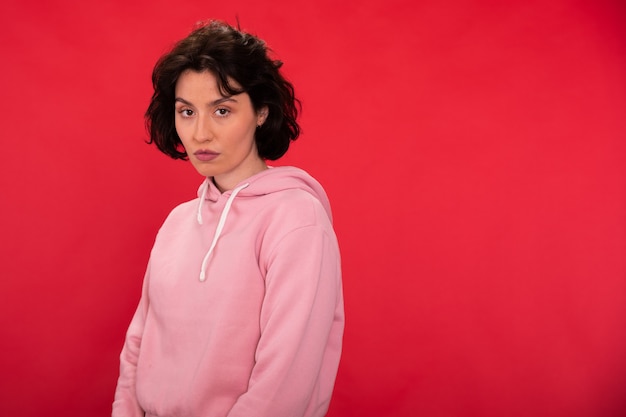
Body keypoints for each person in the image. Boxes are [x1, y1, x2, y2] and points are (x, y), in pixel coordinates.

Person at [112, 20, 344, 417]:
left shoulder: (296, 220)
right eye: (187, 112)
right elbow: (138, 347)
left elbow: (285, 382)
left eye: (222, 110)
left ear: (261, 112)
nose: (200, 133)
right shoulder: (177, 223)